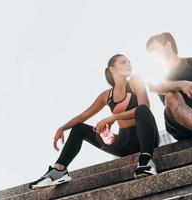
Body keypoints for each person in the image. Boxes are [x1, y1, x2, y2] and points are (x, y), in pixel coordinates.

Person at [29, 54, 160, 189]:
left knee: (143, 110)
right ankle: (59, 171)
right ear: (112, 69)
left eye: (129, 62)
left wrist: (113, 117)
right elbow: (82, 116)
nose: (128, 64)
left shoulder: (135, 81)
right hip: (124, 143)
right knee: (79, 128)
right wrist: (62, 128)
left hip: (146, 139)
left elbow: (144, 107)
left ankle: (145, 161)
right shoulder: (106, 96)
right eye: (123, 62)